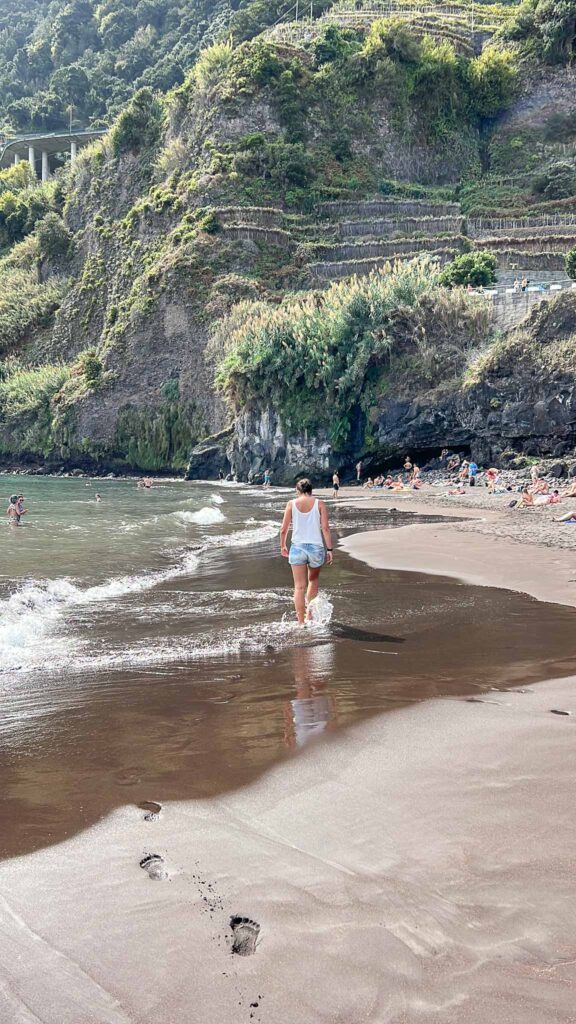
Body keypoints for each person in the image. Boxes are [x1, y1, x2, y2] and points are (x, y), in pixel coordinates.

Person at [280, 478, 333, 626]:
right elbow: (326, 529)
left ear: (298, 491)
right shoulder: (319, 504)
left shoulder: (291, 504)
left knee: (299, 587)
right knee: (313, 581)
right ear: (311, 490)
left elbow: (284, 529)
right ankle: (309, 614)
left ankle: (301, 622)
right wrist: (329, 549)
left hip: (297, 548)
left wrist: (283, 546)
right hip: (316, 548)